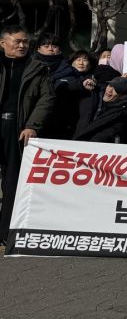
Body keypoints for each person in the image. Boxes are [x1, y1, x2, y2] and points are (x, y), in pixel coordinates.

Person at [0, 25, 55, 245]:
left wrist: (32, 125)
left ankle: (6, 232)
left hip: (18, 128)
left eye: (25, 42)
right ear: (3, 43)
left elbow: (46, 99)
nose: (22, 45)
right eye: (18, 41)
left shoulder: (38, 68)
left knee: (12, 180)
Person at [73, 76, 127, 143]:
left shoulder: (125, 114)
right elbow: (69, 87)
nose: (109, 90)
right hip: (74, 142)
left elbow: (109, 133)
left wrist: (85, 145)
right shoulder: (94, 94)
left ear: (123, 96)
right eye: (110, 85)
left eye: (116, 89)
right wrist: (81, 85)